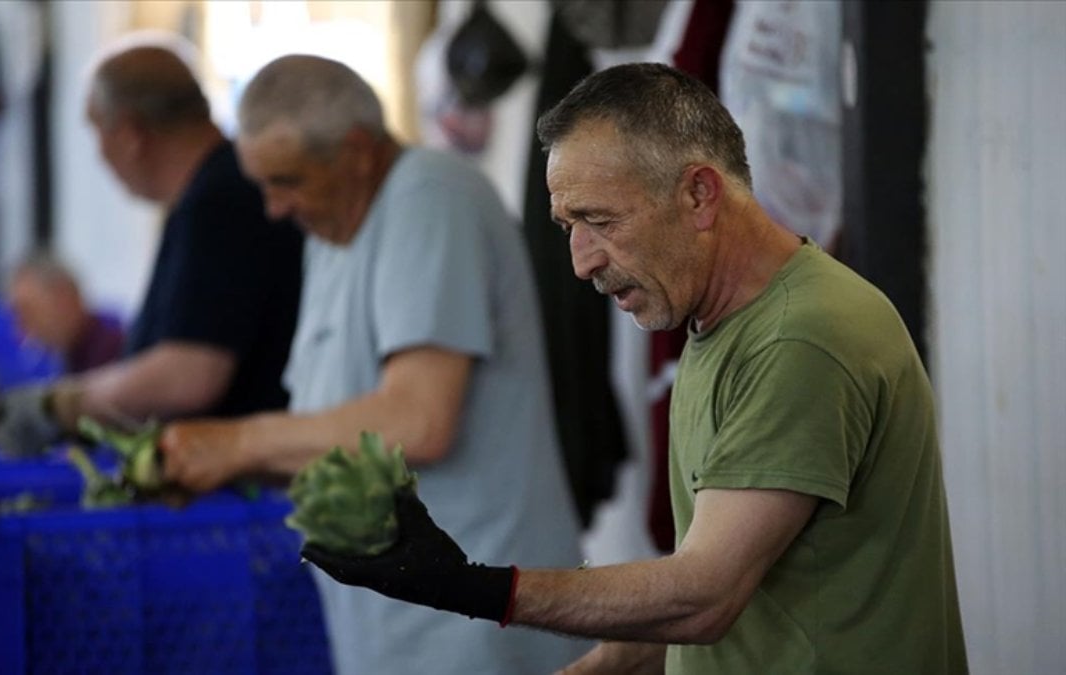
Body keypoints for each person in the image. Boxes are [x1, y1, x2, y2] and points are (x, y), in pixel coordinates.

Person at [300, 63, 969, 674]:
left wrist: (472, 585)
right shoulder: (722, 325)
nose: (582, 261)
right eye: (568, 226)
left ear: (699, 195)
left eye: (599, 220)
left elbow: (704, 595)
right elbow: (734, 587)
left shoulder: (799, 341)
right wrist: (604, 666)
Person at [157, 55, 589, 675]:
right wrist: (219, 461)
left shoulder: (430, 197)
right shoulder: (332, 228)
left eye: (287, 180)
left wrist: (239, 441)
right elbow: (336, 422)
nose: (274, 208)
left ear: (356, 151)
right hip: (397, 625)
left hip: (473, 627)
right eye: (265, 186)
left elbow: (418, 420)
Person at [0, 38, 303, 452]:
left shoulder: (219, 201)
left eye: (98, 131)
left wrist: (58, 405)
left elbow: (190, 374)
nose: (100, 155)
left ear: (131, 134)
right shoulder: (207, 197)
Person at [6, 251, 124, 374]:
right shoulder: (71, 357)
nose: (20, 329)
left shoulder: (114, 353)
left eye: (28, 312)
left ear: (64, 299)